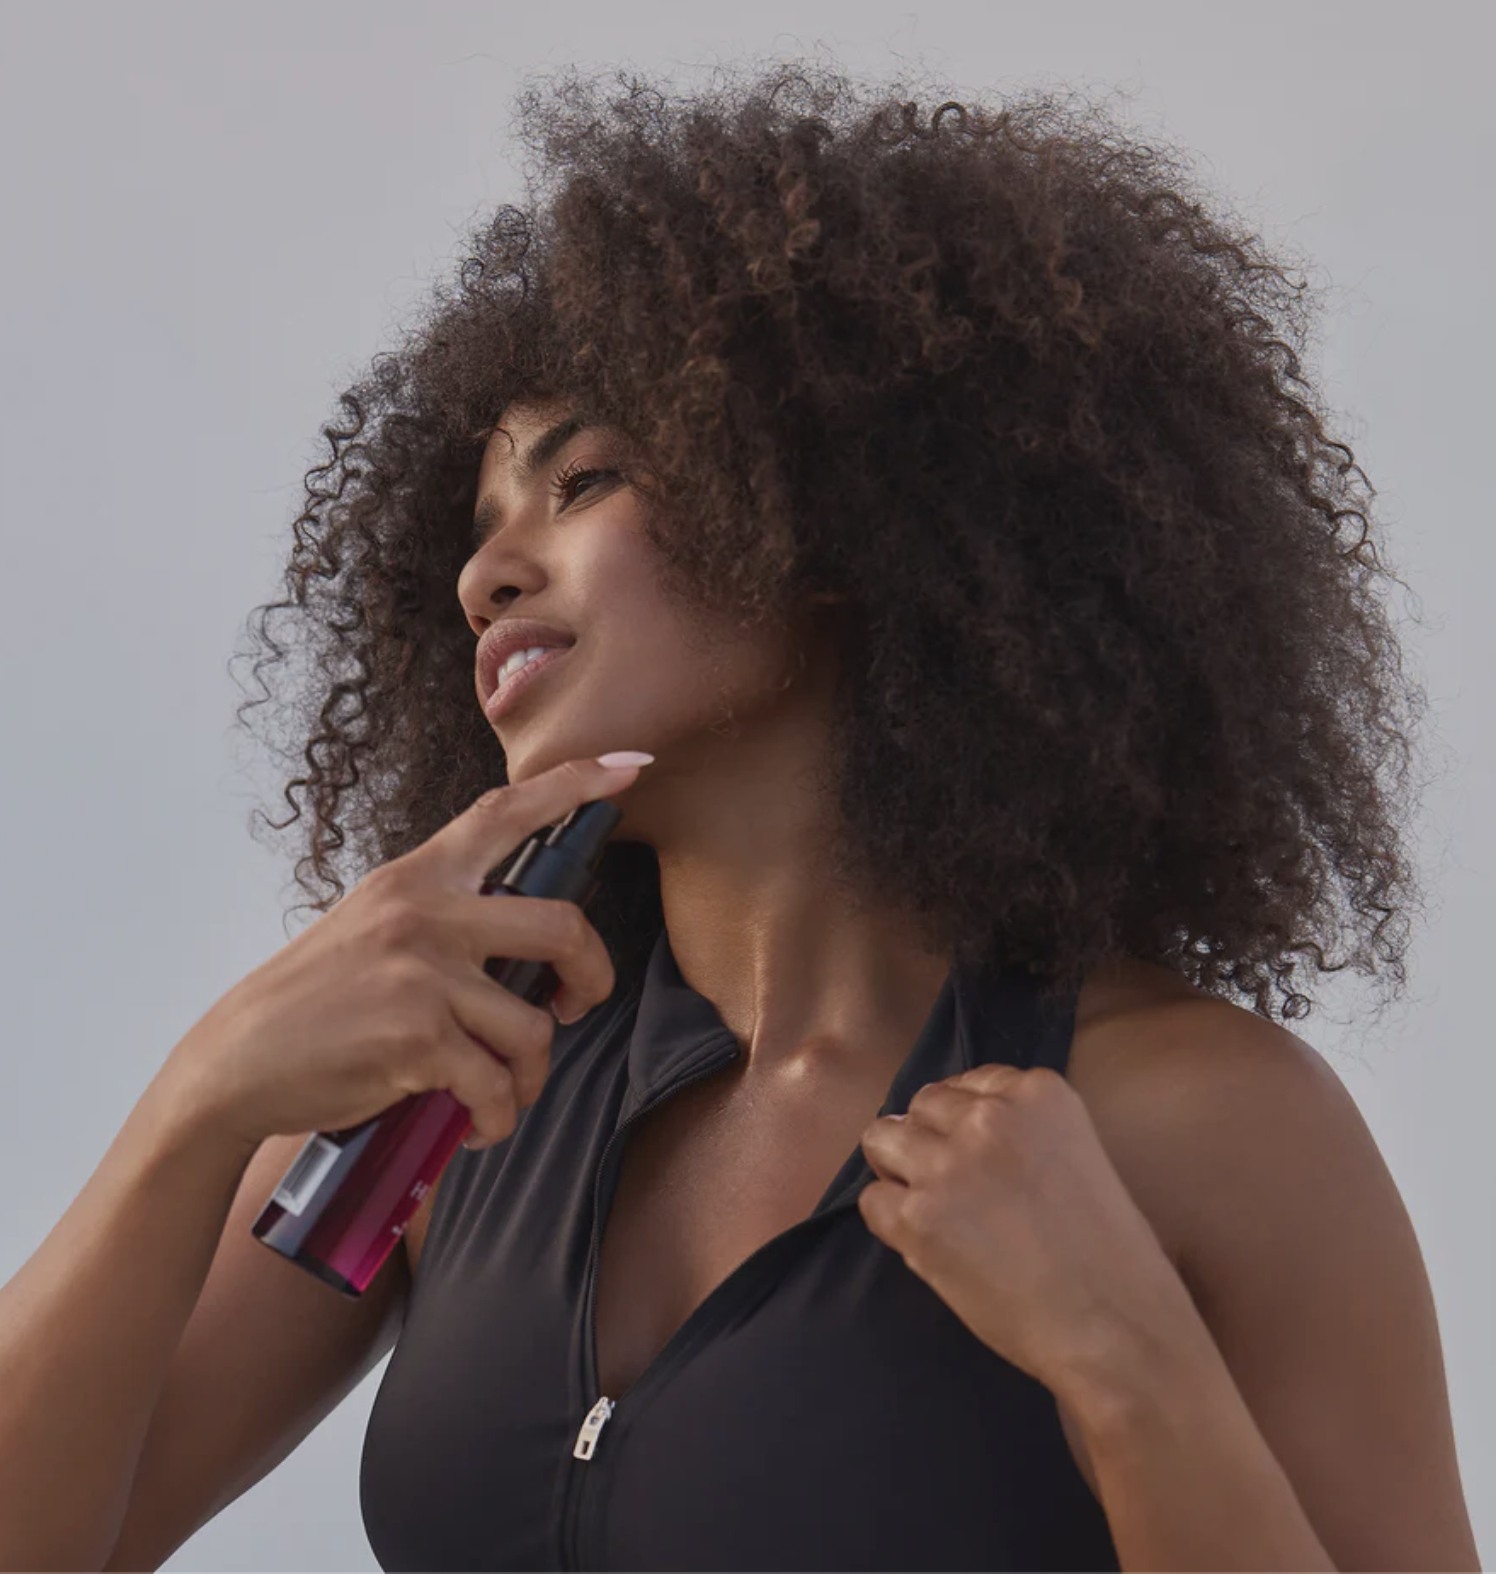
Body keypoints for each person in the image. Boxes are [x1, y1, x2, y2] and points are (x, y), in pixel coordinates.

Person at [0, 60, 1481, 1573]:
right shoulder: (452, 1095)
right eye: (480, 530)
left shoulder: (1201, 1118)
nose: (485, 575)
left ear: (828, 517)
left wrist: (1126, 1360)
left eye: (585, 480)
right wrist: (197, 1106)